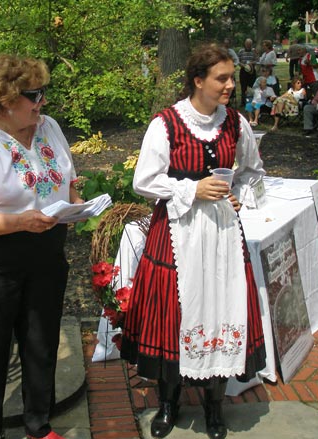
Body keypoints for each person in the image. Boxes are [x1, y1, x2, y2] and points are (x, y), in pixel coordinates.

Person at [120, 44, 266, 439]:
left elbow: (253, 172)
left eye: (232, 77)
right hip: (176, 233)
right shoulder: (165, 123)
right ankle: (168, 404)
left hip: (222, 234)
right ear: (198, 80)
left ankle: (214, 407)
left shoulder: (236, 123)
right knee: (176, 315)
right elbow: (144, 181)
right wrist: (192, 188)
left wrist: (242, 195)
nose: (230, 85)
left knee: (222, 308)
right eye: (222, 78)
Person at [0, 54, 84, 439]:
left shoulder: (49, 127)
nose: (42, 101)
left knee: (41, 342)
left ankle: (38, 424)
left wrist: (74, 198)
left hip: (45, 253)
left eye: (42, 92)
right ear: (5, 101)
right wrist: (20, 221)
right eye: (33, 95)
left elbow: (67, 177)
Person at [237, 38, 258, 107]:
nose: (248, 46)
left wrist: (252, 63)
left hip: (251, 71)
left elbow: (257, 60)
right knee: (243, 87)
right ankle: (243, 102)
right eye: (247, 44)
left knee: (253, 86)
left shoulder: (254, 51)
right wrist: (242, 65)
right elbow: (237, 61)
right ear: (245, 44)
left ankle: (253, 101)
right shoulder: (241, 51)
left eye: (250, 44)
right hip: (243, 71)